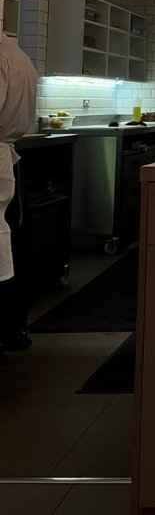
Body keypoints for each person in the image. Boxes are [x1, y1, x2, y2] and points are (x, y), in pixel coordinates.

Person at [0, 35, 38, 365]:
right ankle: (14, 327)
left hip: (3, 165)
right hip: (9, 161)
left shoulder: (2, 57)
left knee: (6, 248)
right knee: (13, 245)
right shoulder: (19, 56)